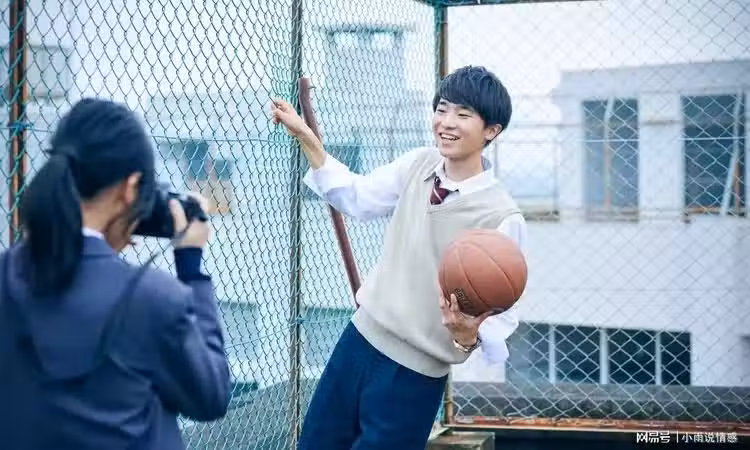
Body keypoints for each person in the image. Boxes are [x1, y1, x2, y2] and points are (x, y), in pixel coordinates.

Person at [271, 65, 527, 449]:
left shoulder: (501, 215)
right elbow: (357, 196)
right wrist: (307, 138)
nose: (447, 122)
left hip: (416, 372)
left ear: (491, 130)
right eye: (442, 109)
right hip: (357, 341)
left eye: (463, 114)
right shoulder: (418, 164)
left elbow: (503, 314)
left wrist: (467, 338)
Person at [0, 98, 232, 450]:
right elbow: (211, 395)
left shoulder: (7, 275)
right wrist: (190, 264)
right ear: (129, 188)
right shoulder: (151, 296)